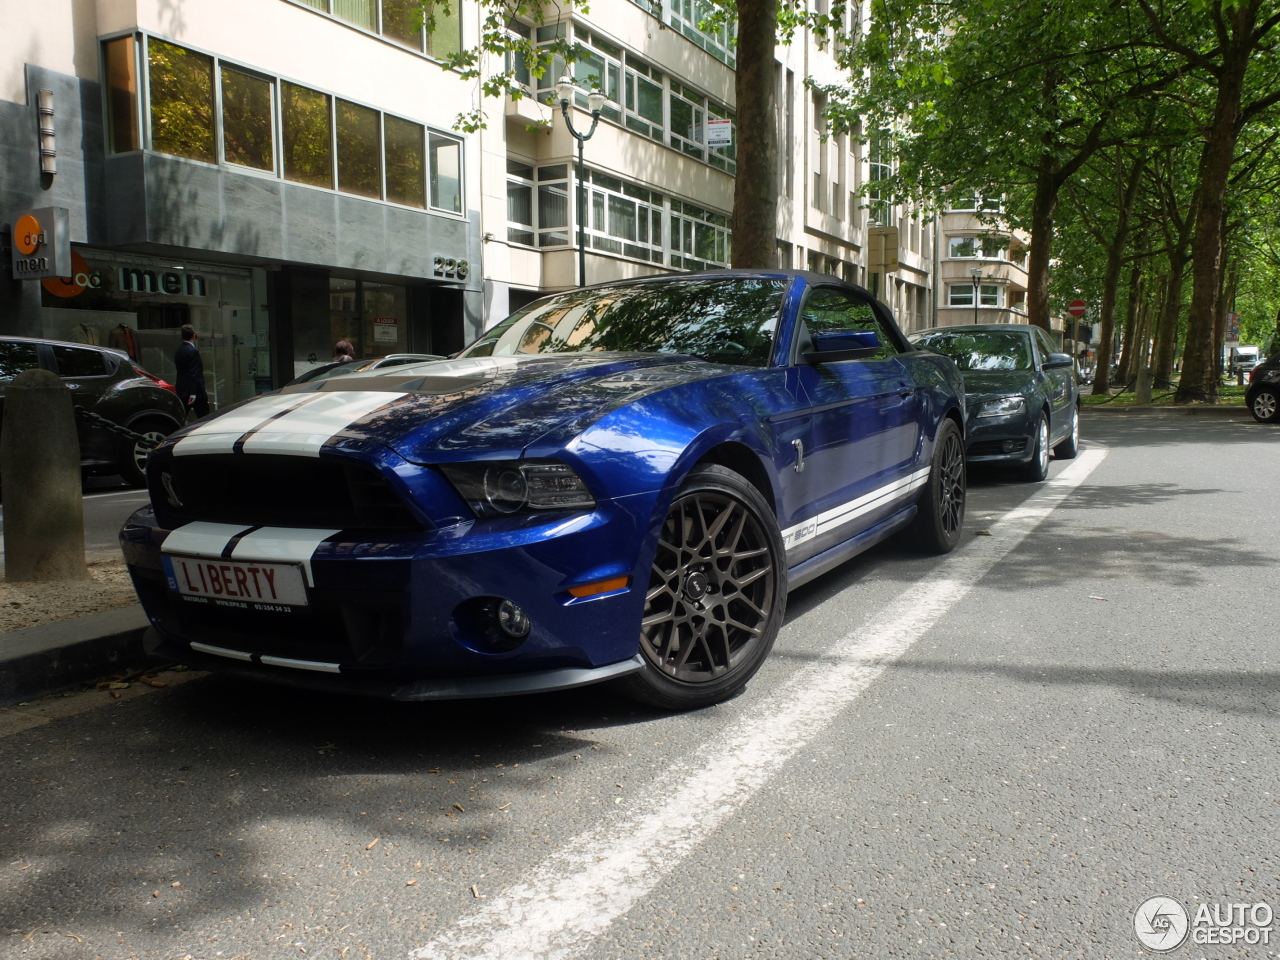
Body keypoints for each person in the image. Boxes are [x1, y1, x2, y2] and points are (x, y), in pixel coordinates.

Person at [174, 324, 209, 420]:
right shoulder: (193, 351)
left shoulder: (179, 351)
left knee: (180, 418)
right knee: (205, 419)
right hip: (196, 392)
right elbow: (194, 373)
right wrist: (193, 393)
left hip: (182, 390)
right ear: (194, 336)